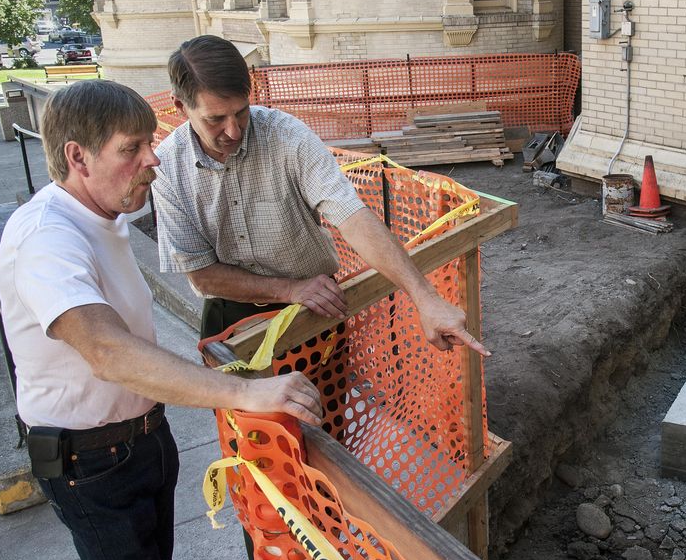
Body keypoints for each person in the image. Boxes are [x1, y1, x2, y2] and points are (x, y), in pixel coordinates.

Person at [0, 80, 325, 560]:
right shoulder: (47, 234)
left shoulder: (102, 218)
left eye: (150, 142)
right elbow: (105, 348)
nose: (153, 159)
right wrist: (247, 393)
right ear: (77, 157)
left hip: (139, 442)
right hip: (89, 462)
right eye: (132, 149)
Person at [150, 34, 491, 353]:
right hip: (233, 318)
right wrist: (289, 290)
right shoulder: (166, 167)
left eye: (240, 112)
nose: (234, 130)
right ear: (180, 106)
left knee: (327, 413)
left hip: (315, 308)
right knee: (244, 417)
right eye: (215, 119)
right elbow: (201, 273)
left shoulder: (286, 136)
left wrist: (426, 298)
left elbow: (352, 216)